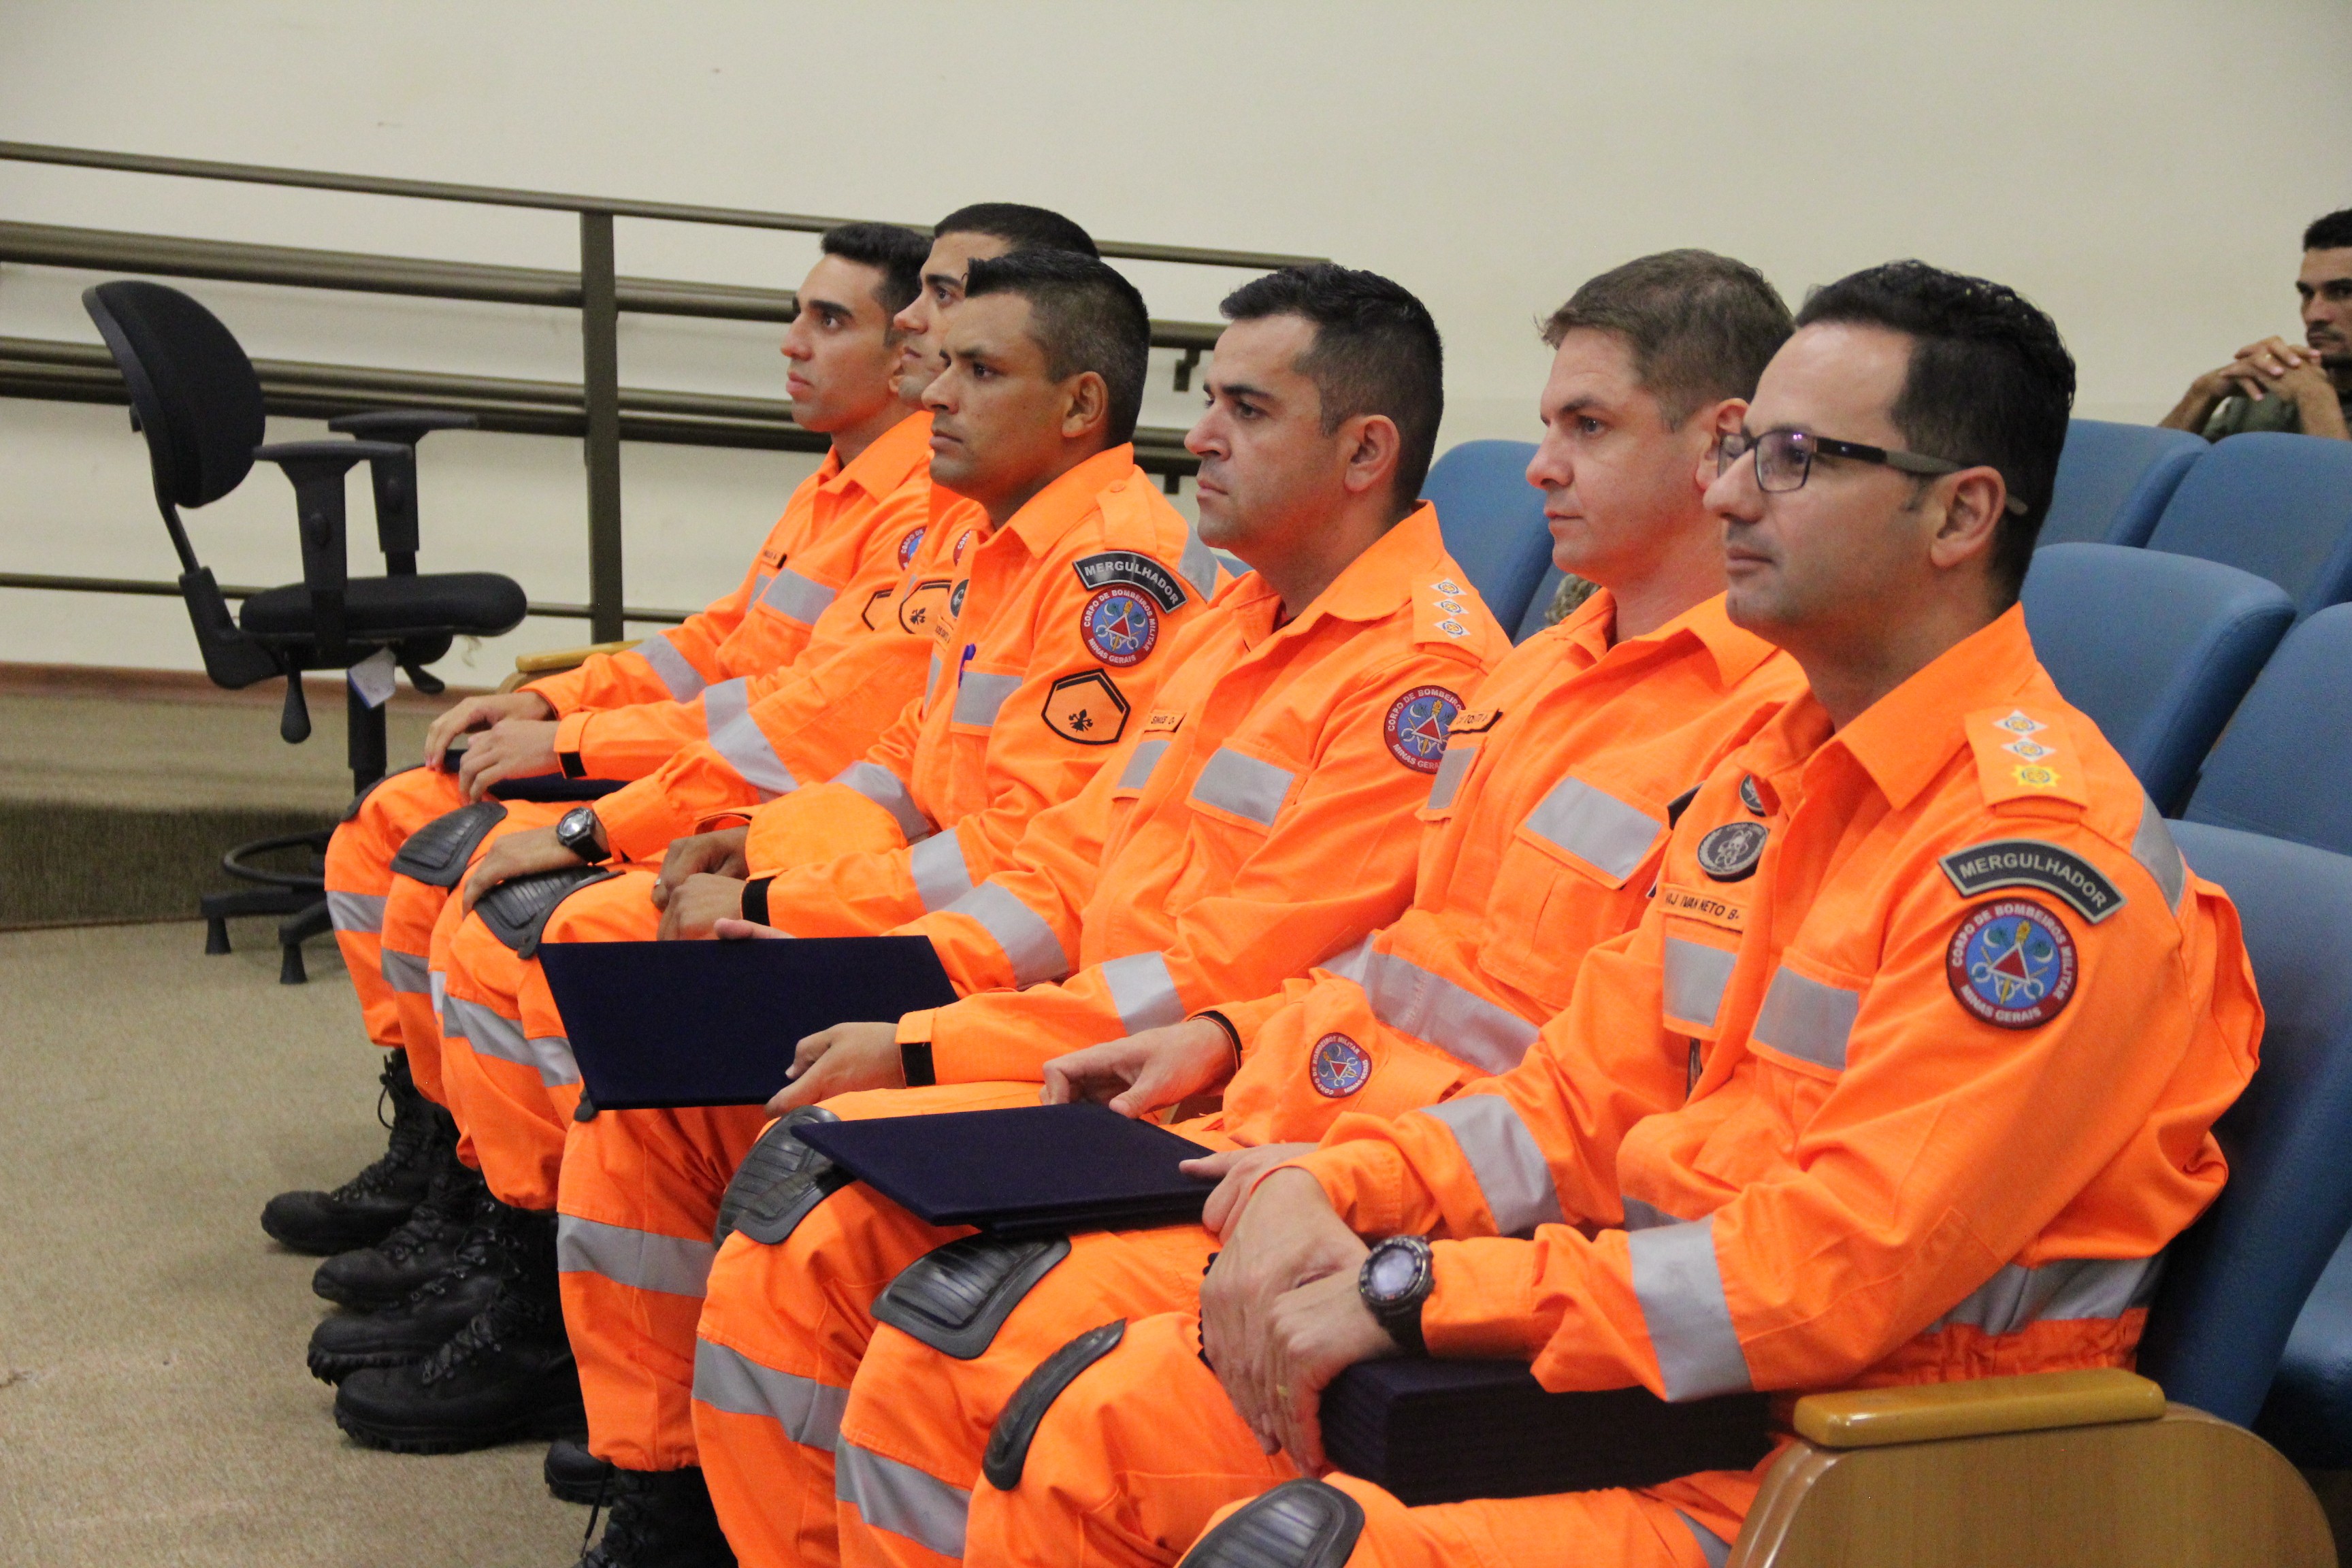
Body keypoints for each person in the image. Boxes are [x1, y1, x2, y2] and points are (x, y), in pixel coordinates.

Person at [966, 261, 2262, 1568]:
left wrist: (1414, 1285)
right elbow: (1581, 1094)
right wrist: (1339, 1181)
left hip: (1878, 1461)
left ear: (1959, 514)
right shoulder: (1775, 767)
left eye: (1797, 457)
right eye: (1745, 445)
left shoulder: (2034, 869)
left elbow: (1824, 1273)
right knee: (1094, 1425)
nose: (1731, 488)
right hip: (1656, 1380)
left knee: (1309, 1548)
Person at [686, 250, 1812, 1568]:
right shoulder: (1535, 679)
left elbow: (1590, 1098)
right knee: (810, 1198)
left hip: (1423, 1195)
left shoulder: (1667, 723)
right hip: (1286, 1113)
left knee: (975, 1344)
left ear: (1720, 447)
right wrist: (1223, 1048)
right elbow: (1361, 962)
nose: (1538, 466)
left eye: (1587, 426)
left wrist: (1337, 1189)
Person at [555, 261, 1511, 1568]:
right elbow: (1069, 858)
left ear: (1363, 450)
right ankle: (692, 1497)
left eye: (1244, 406)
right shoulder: (1236, 615)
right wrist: (858, 952)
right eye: (1206, 398)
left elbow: (1217, 973)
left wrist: (937, 1038)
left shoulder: (1422, 673)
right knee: (662, 1058)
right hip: (1082, 1039)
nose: (1199, 436)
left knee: (819, 1206)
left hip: (1197, 1099)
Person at [329, 249, 1213, 1488]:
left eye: (973, 361)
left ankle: (561, 1323)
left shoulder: (1123, 574)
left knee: (599, 965)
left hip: (997, 961)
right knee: (625, 1050)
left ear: (1078, 404)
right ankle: (635, 1419)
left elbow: (1035, 859)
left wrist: (768, 902)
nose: (934, 383)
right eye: (937, 353)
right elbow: (899, 765)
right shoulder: (1003, 535)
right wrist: (753, 850)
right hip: (932, 910)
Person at [270, 221, 934, 1264]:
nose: (792, 342)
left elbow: (799, 726)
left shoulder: (923, 506)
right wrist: (557, 703)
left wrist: (578, 757)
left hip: (757, 801)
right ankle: (444, 1148)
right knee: (383, 829)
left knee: (485, 902)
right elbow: (720, 647)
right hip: (701, 765)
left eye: (828, 320)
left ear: (909, 353)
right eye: (794, 315)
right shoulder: (838, 479)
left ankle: (512, 1229)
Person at [2159, 207, 2352, 442]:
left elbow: (2339, 480)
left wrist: (2315, 400)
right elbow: (2146, 474)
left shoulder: (2306, 391)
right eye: (2307, 294)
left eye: (2343, 292)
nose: (2313, 314)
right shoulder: (2273, 392)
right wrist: (2203, 393)